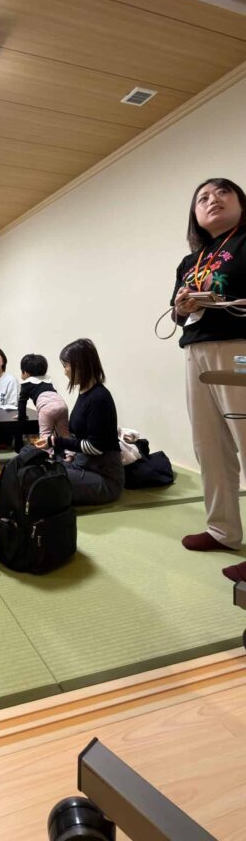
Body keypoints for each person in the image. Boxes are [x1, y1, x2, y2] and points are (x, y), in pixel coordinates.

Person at [171, 177, 246, 581]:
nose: (212, 200)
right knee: (209, 446)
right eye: (203, 198)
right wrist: (182, 306)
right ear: (195, 214)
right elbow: (176, 314)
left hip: (240, 348)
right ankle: (222, 530)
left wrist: (231, 303)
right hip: (195, 351)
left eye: (222, 193)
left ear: (240, 202)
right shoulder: (190, 261)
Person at [38, 338, 123, 506]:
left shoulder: (99, 397)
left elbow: (95, 447)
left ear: (80, 365)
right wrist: (66, 451)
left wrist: (55, 441)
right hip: (82, 465)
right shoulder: (85, 392)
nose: (65, 372)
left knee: (45, 480)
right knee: (36, 465)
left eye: (66, 366)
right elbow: (78, 436)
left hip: (104, 477)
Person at [16, 353, 69, 451]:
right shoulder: (47, 380)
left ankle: (47, 456)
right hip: (62, 404)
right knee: (65, 434)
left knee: (45, 437)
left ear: (25, 372)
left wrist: (21, 417)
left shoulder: (26, 384)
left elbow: (22, 403)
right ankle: (70, 455)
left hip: (46, 409)